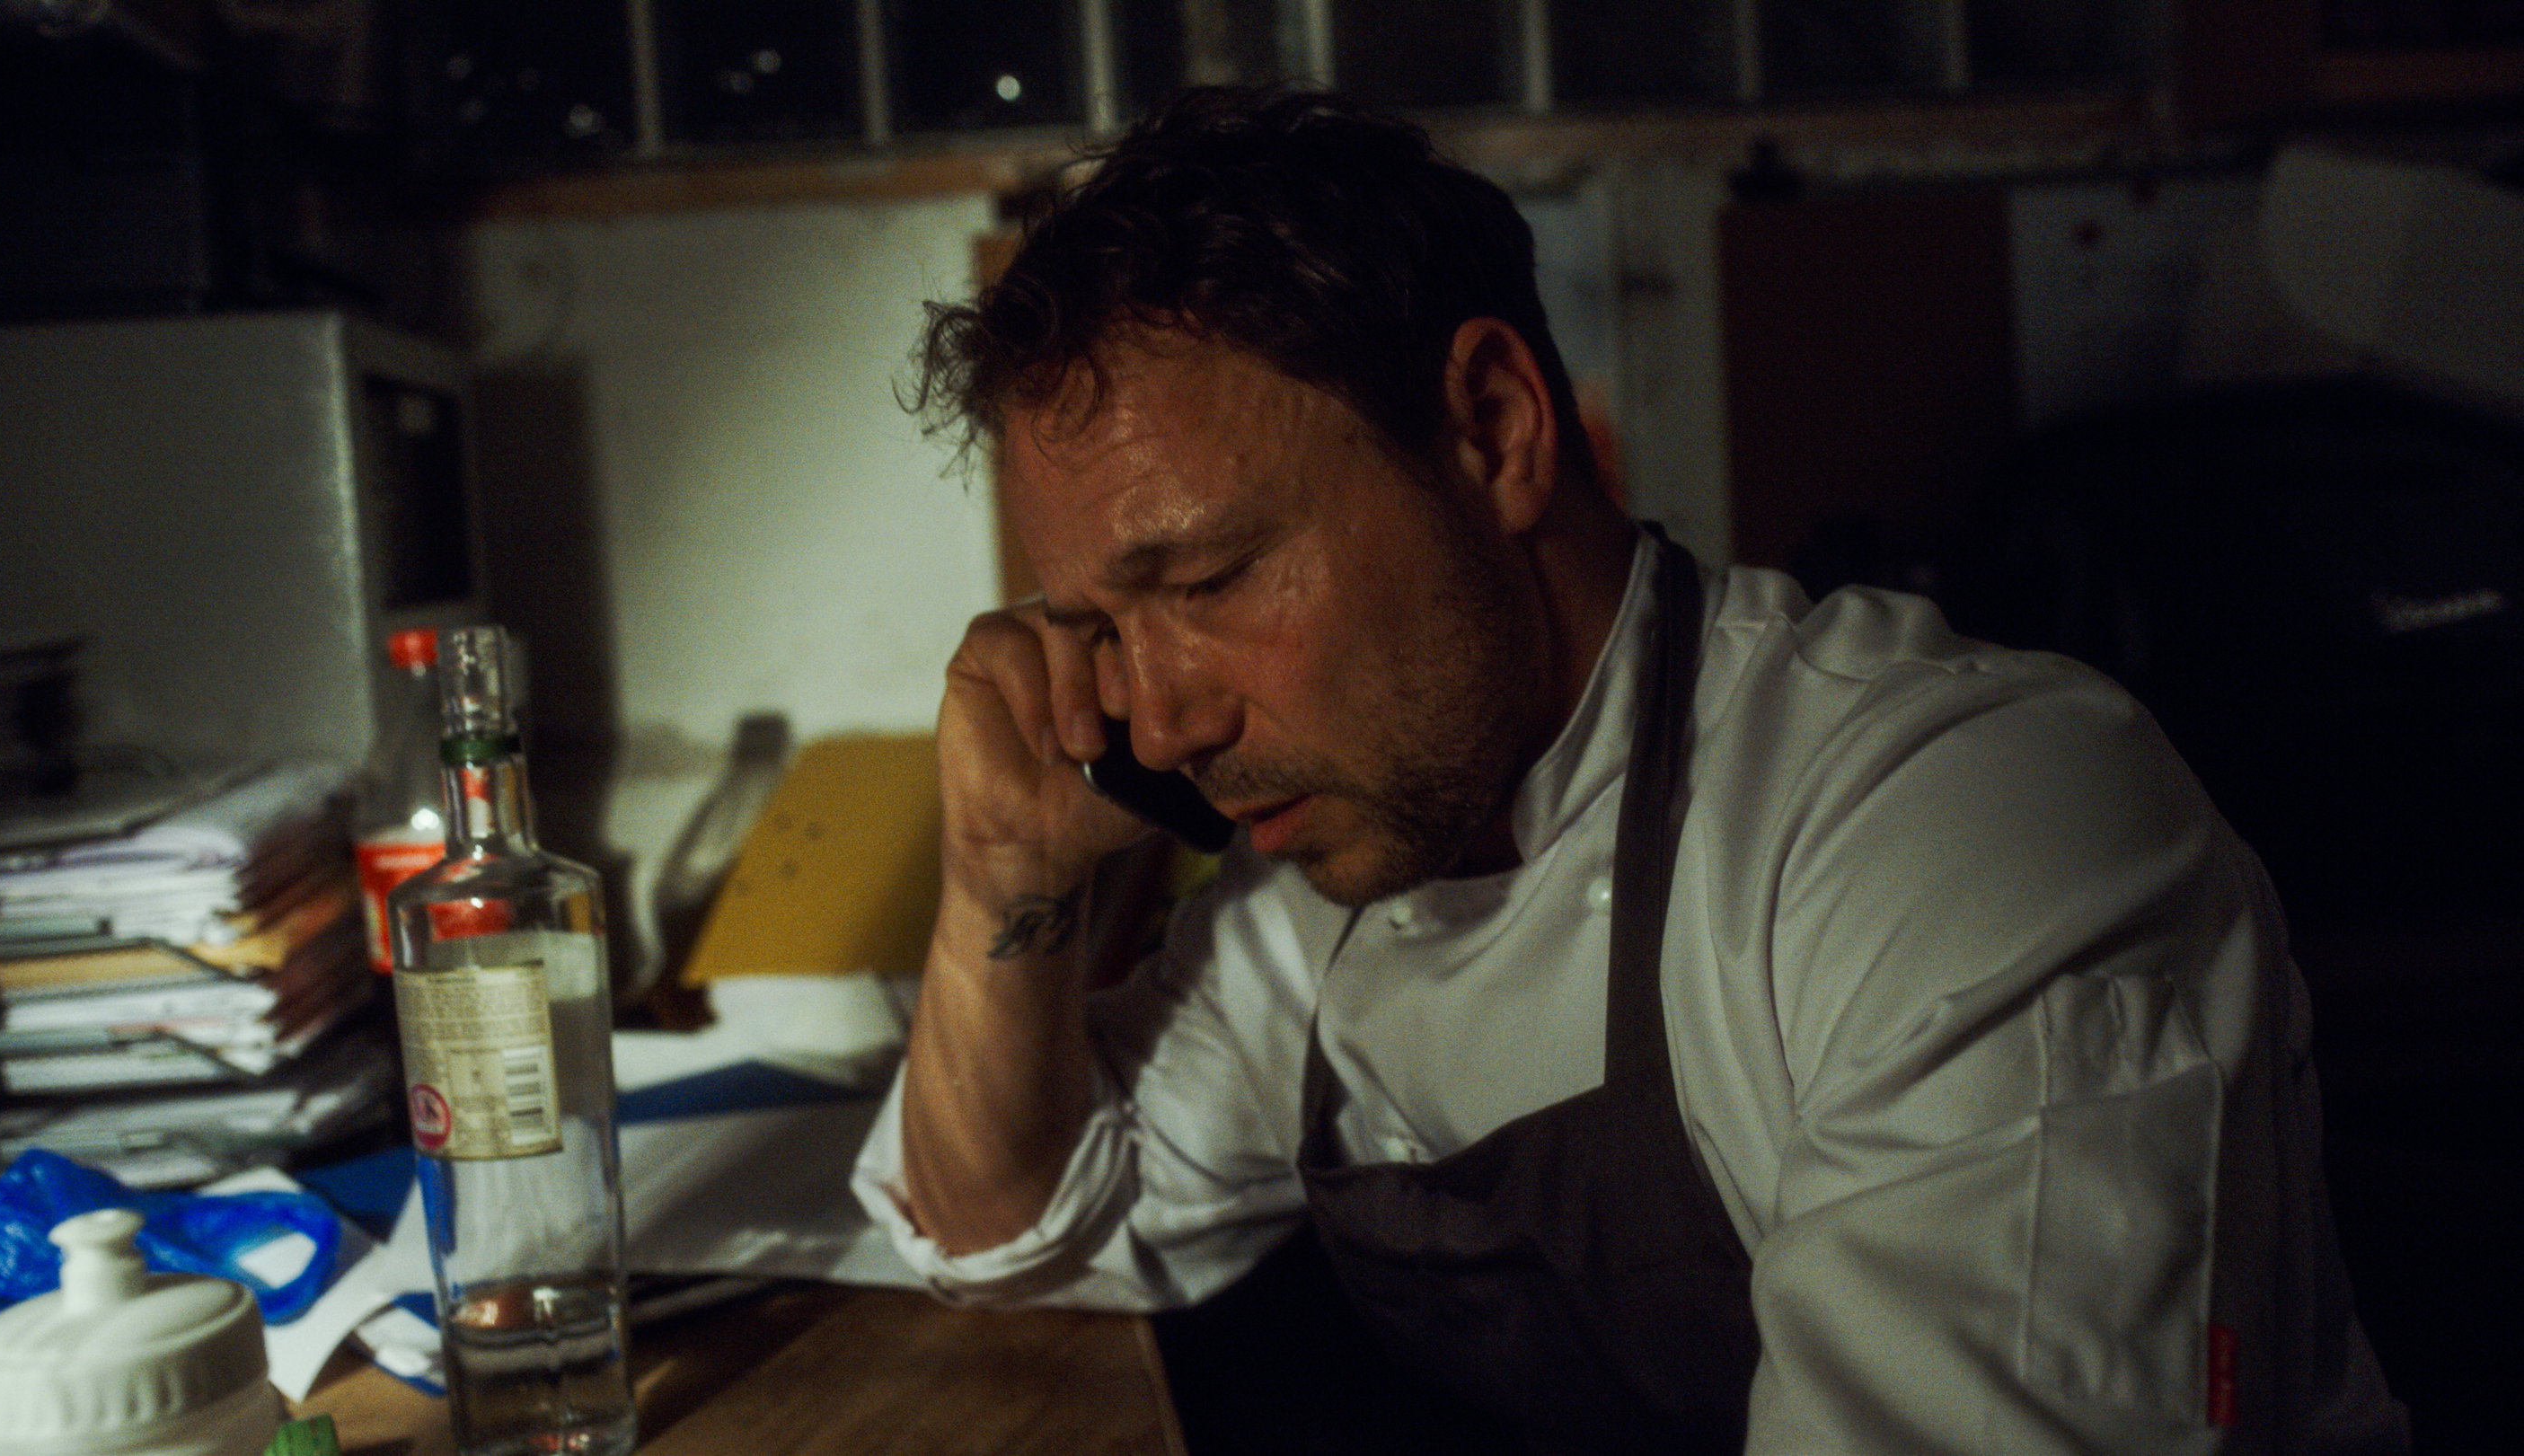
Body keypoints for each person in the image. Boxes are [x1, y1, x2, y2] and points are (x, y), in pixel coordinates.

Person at [849, 88, 2409, 1454]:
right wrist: (1006, 872)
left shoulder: (1948, 823)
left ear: (1495, 428)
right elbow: (1013, 1234)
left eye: (1207, 580)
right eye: (1103, 629)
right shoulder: (1338, 874)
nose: (1160, 721)